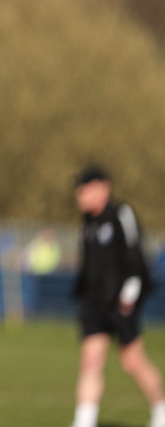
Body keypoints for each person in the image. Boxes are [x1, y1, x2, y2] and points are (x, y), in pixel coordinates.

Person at [68, 165, 165, 427]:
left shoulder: (121, 214)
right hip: (94, 305)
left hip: (122, 304)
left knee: (133, 362)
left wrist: (130, 294)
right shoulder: (88, 223)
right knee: (91, 361)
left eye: (84, 189)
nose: (79, 195)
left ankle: (161, 410)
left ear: (102, 188)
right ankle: (84, 420)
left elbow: (135, 254)